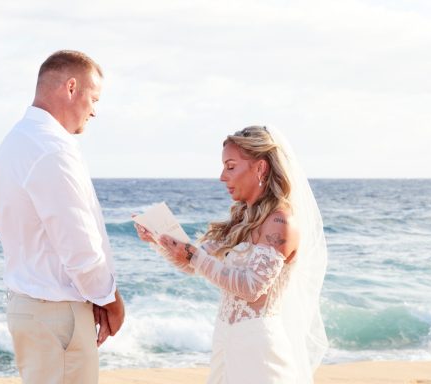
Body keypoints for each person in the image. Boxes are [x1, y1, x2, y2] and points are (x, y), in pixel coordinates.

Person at [135, 126, 328, 384]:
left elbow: (252, 288)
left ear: (260, 168)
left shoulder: (280, 223)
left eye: (231, 166)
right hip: (226, 339)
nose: (222, 177)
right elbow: (193, 264)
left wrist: (193, 256)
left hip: (259, 350)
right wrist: (157, 239)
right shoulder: (240, 221)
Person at [0, 50, 125, 384]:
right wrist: (111, 300)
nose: (94, 110)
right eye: (93, 98)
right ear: (71, 87)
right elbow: (79, 246)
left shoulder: (14, 143)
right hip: (56, 313)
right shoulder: (52, 149)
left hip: (30, 308)